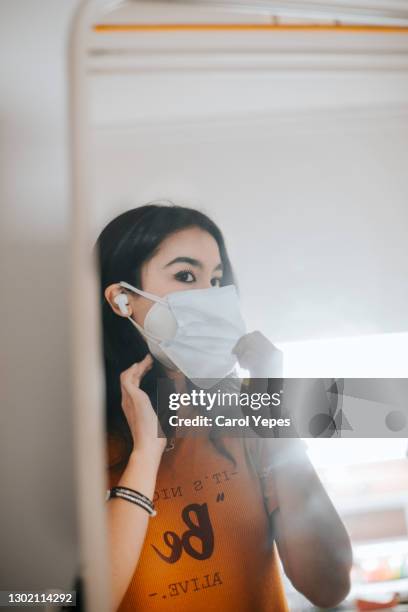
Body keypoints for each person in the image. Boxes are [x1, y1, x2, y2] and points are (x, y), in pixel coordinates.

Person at [96, 202, 352, 612]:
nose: (211, 298)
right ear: (122, 299)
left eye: (216, 280)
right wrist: (145, 456)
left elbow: (328, 585)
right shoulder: (81, 440)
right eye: (185, 276)